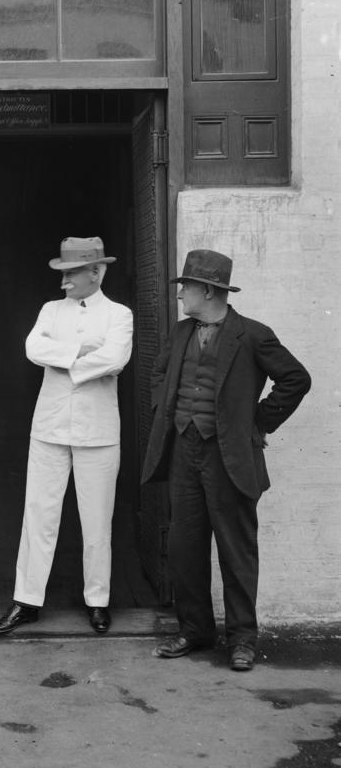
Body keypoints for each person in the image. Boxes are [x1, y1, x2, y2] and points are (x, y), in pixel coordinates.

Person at [142, 249, 311, 671]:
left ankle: (242, 640)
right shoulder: (180, 333)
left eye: (187, 288)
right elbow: (159, 375)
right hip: (184, 450)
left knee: (236, 551)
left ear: (208, 290)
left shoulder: (252, 334)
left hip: (228, 456)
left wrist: (257, 424)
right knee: (185, 548)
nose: (181, 295)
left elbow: (295, 378)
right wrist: (166, 413)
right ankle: (196, 631)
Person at [0, 237, 134, 636]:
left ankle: (98, 601)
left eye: (71, 273)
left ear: (96, 272)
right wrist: (84, 351)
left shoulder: (120, 315)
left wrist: (65, 358)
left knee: (97, 519)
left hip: (99, 430)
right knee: (38, 515)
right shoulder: (50, 310)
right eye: (62, 272)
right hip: (50, 426)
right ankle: (26, 601)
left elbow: (116, 357)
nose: (64, 281)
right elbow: (33, 348)